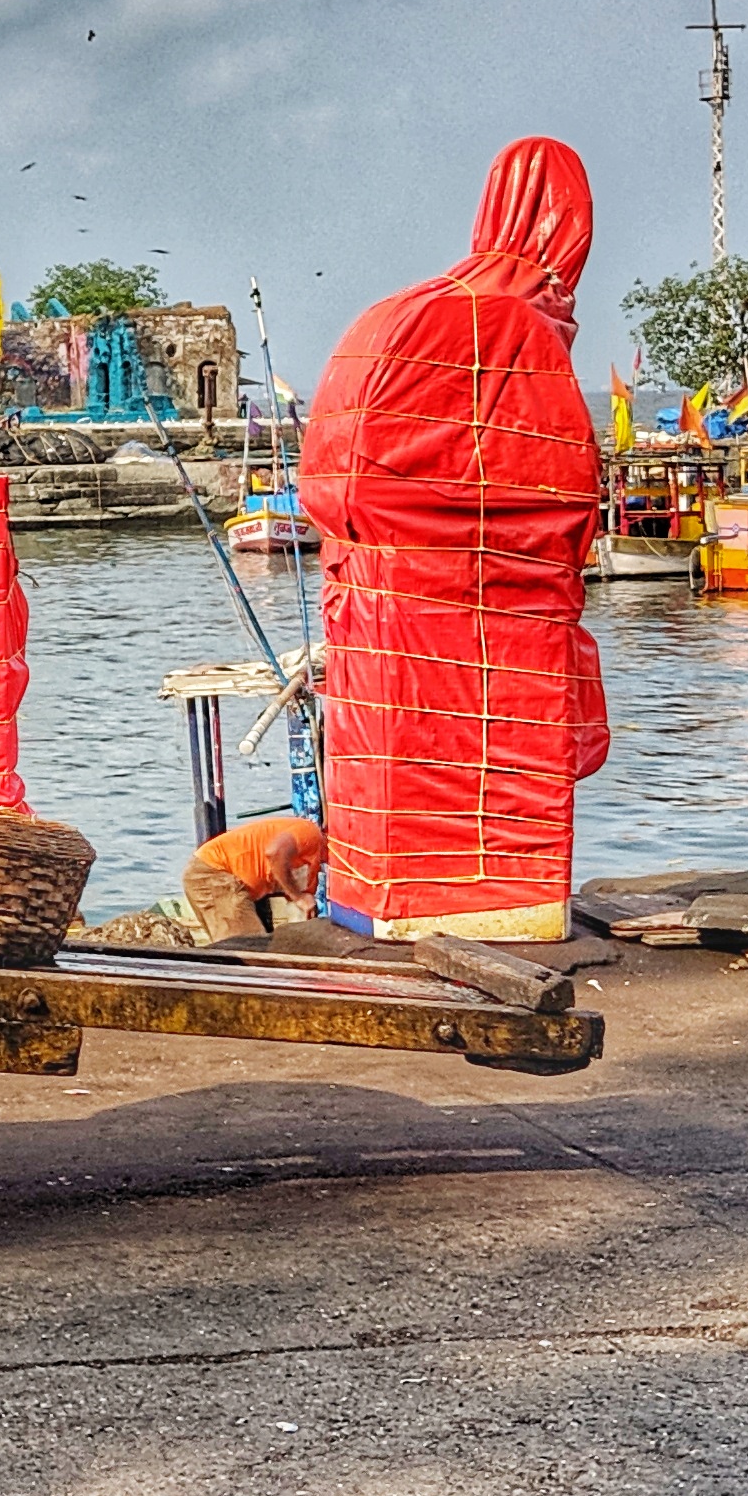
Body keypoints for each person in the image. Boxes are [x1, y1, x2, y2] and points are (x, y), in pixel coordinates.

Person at [299, 138, 608, 940]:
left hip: (373, 597)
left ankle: (377, 902)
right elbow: (560, 489)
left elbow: (340, 475)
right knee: (488, 789)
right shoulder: (507, 326)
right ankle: (495, 911)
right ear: (569, 237)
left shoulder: (397, 309)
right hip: (485, 615)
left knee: (392, 770)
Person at [181, 812, 324, 944]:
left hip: (243, 885)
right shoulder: (311, 833)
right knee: (247, 946)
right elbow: (274, 852)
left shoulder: (313, 866)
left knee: (260, 940)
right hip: (214, 872)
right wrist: (298, 897)